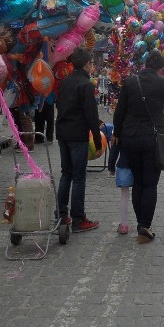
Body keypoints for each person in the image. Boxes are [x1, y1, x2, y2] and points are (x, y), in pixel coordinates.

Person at [112, 49, 164, 242]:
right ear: (161, 67)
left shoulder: (131, 82)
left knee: (138, 182)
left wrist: (116, 133)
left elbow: (120, 111)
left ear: (145, 64)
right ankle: (144, 225)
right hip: (153, 137)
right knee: (150, 182)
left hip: (130, 137)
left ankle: (140, 223)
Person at [55, 49, 102, 233]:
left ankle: (61, 214)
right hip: (77, 135)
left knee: (66, 174)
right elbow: (91, 115)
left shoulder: (65, 82)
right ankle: (78, 218)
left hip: (63, 133)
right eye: (91, 63)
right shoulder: (86, 84)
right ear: (86, 64)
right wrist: (98, 143)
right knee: (79, 177)